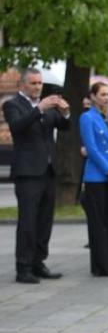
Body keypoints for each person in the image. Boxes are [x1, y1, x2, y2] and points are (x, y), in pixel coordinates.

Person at [3, 68, 69, 284]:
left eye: (40, 83)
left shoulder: (46, 105)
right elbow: (17, 127)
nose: (38, 87)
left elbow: (64, 126)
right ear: (22, 85)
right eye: (33, 83)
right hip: (28, 172)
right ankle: (23, 267)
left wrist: (65, 112)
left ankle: (38, 262)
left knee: (44, 221)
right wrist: (39, 109)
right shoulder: (13, 105)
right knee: (28, 221)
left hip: (48, 170)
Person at [79, 82, 108, 276]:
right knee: (99, 222)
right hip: (97, 176)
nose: (106, 98)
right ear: (93, 96)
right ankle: (102, 266)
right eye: (102, 94)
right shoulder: (87, 117)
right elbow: (91, 148)